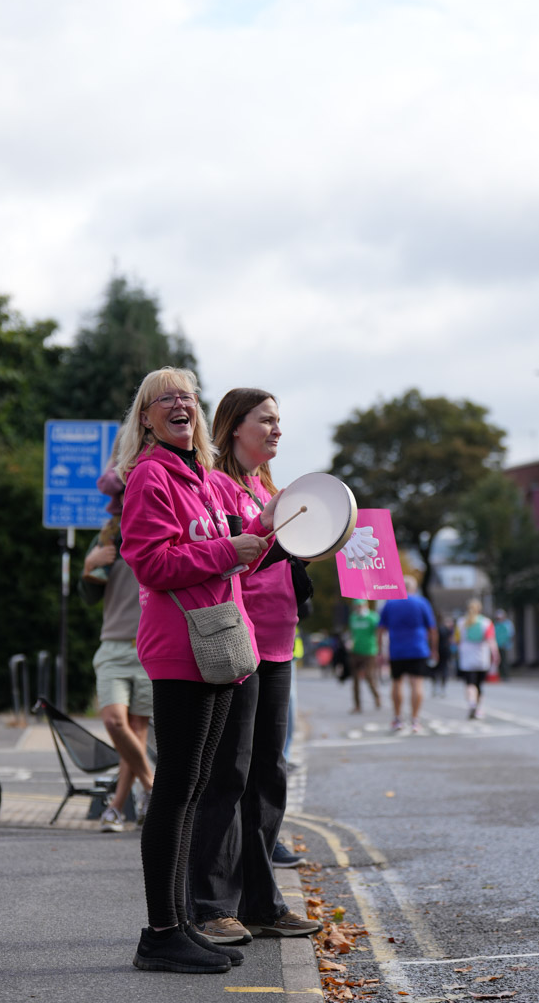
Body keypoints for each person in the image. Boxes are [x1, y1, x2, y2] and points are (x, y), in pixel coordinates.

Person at [117, 367, 280, 975]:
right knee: (176, 790)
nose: (179, 404)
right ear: (146, 418)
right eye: (165, 399)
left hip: (217, 645)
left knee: (194, 789)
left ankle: (181, 923)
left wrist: (266, 531)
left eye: (187, 395)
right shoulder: (150, 478)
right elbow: (154, 565)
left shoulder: (206, 479)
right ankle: (160, 933)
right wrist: (225, 552)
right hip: (181, 648)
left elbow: (231, 552)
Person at [188, 387, 321, 940]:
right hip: (237, 641)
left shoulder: (269, 486)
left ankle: (262, 902)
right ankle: (211, 904)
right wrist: (269, 529)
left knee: (270, 774)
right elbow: (225, 561)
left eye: (279, 421)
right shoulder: (215, 485)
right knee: (231, 774)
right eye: (265, 420)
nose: (276, 430)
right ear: (234, 426)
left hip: (278, 642)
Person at [78, 443, 154, 833]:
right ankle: (151, 786)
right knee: (114, 721)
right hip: (113, 645)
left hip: (149, 647)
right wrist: (90, 566)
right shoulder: (107, 537)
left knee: (137, 732)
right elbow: (88, 595)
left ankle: (115, 808)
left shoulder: (160, 532)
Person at [377, 575, 437, 734]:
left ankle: (397, 718)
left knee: (397, 683)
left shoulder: (390, 603)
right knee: (417, 683)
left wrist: (379, 651)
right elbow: (432, 629)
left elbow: (380, 629)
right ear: (414, 588)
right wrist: (434, 649)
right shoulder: (421, 602)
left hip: (397, 649)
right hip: (418, 648)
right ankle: (415, 720)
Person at [455, 599, 499, 720]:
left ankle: (471, 703)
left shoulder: (461, 622)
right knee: (479, 685)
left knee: (470, 684)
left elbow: (457, 641)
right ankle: (478, 709)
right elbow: (491, 641)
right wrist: (495, 655)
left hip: (467, 658)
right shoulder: (486, 622)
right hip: (482, 657)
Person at [347, 600, 382, 713]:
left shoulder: (372, 618)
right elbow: (352, 633)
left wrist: (379, 649)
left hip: (369, 650)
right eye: (356, 606)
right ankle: (357, 705)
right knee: (355, 679)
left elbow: (378, 632)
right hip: (356, 650)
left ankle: (377, 697)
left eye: (360, 606)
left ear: (366, 606)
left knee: (369, 676)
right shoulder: (353, 618)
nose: (359, 608)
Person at [432, 614, 455, 697]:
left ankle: (435, 687)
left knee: (436, 669)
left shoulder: (436, 628)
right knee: (444, 668)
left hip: (438, 650)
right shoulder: (446, 629)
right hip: (445, 650)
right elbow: (451, 640)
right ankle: (442, 688)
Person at [494, 609, 516, 679]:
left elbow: (511, 634)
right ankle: (500, 674)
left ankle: (506, 675)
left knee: (504, 660)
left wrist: (508, 643)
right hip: (496, 645)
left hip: (505, 645)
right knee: (499, 661)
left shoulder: (507, 624)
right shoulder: (496, 624)